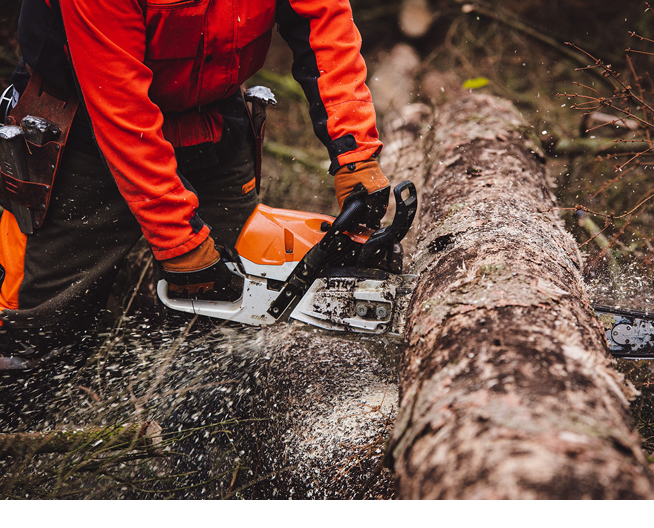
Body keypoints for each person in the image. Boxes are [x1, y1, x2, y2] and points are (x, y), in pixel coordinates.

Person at [0, 0, 390, 364]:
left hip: (211, 115)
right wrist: (178, 241)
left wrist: (355, 153)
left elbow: (322, 21)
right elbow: (121, 109)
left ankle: (200, 418)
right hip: (83, 125)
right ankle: (35, 427)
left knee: (239, 306)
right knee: (38, 325)